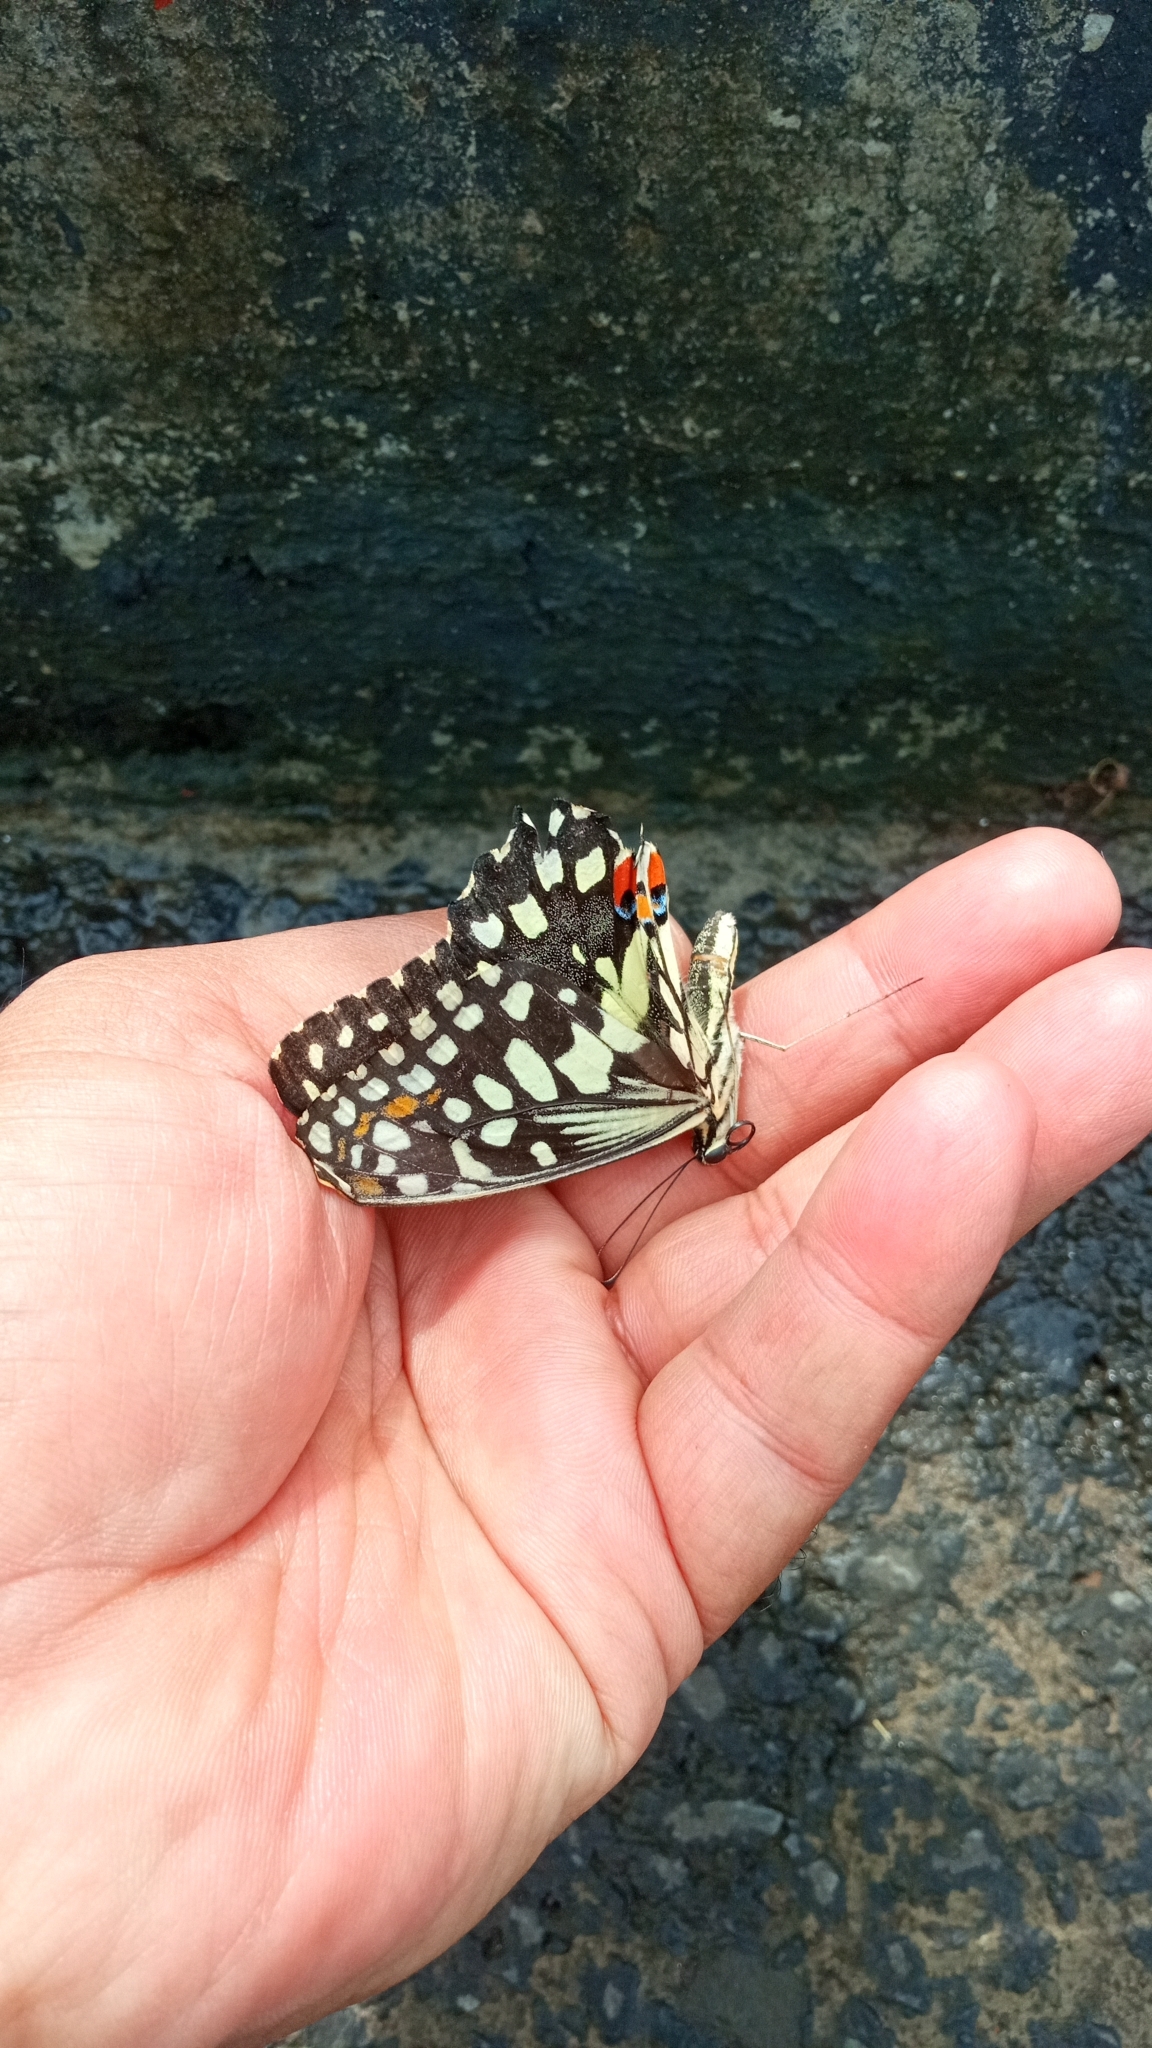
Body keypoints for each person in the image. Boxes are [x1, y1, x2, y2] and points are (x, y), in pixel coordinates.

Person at [0, 827, 1148, 2048]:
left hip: (627, 998)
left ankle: (600, 932)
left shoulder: (649, 1099)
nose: (719, 1137)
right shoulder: (654, 1104)